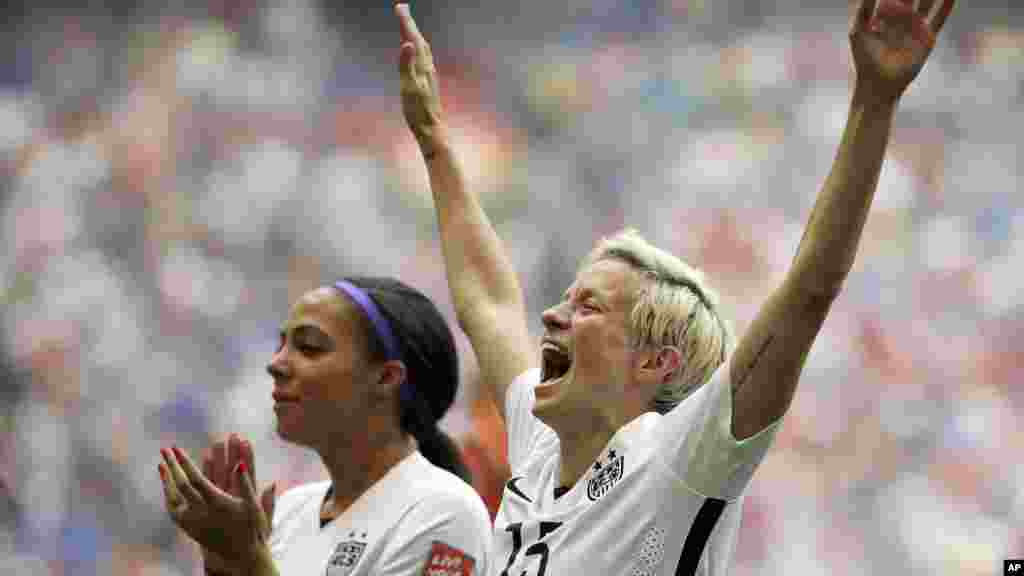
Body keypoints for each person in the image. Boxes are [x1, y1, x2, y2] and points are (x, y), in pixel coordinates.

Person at [396, 0, 956, 574]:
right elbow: (488, 303)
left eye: (588, 307)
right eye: (567, 300)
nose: (552, 316)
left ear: (654, 362)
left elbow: (809, 289)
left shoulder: (680, 459)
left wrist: (874, 103)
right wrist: (435, 141)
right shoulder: (542, 449)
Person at [158, 277, 493, 575]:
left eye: (309, 347)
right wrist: (222, 563)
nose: (276, 364)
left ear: (386, 377)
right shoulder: (289, 513)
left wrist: (249, 562)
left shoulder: (444, 514)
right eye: (281, 345)